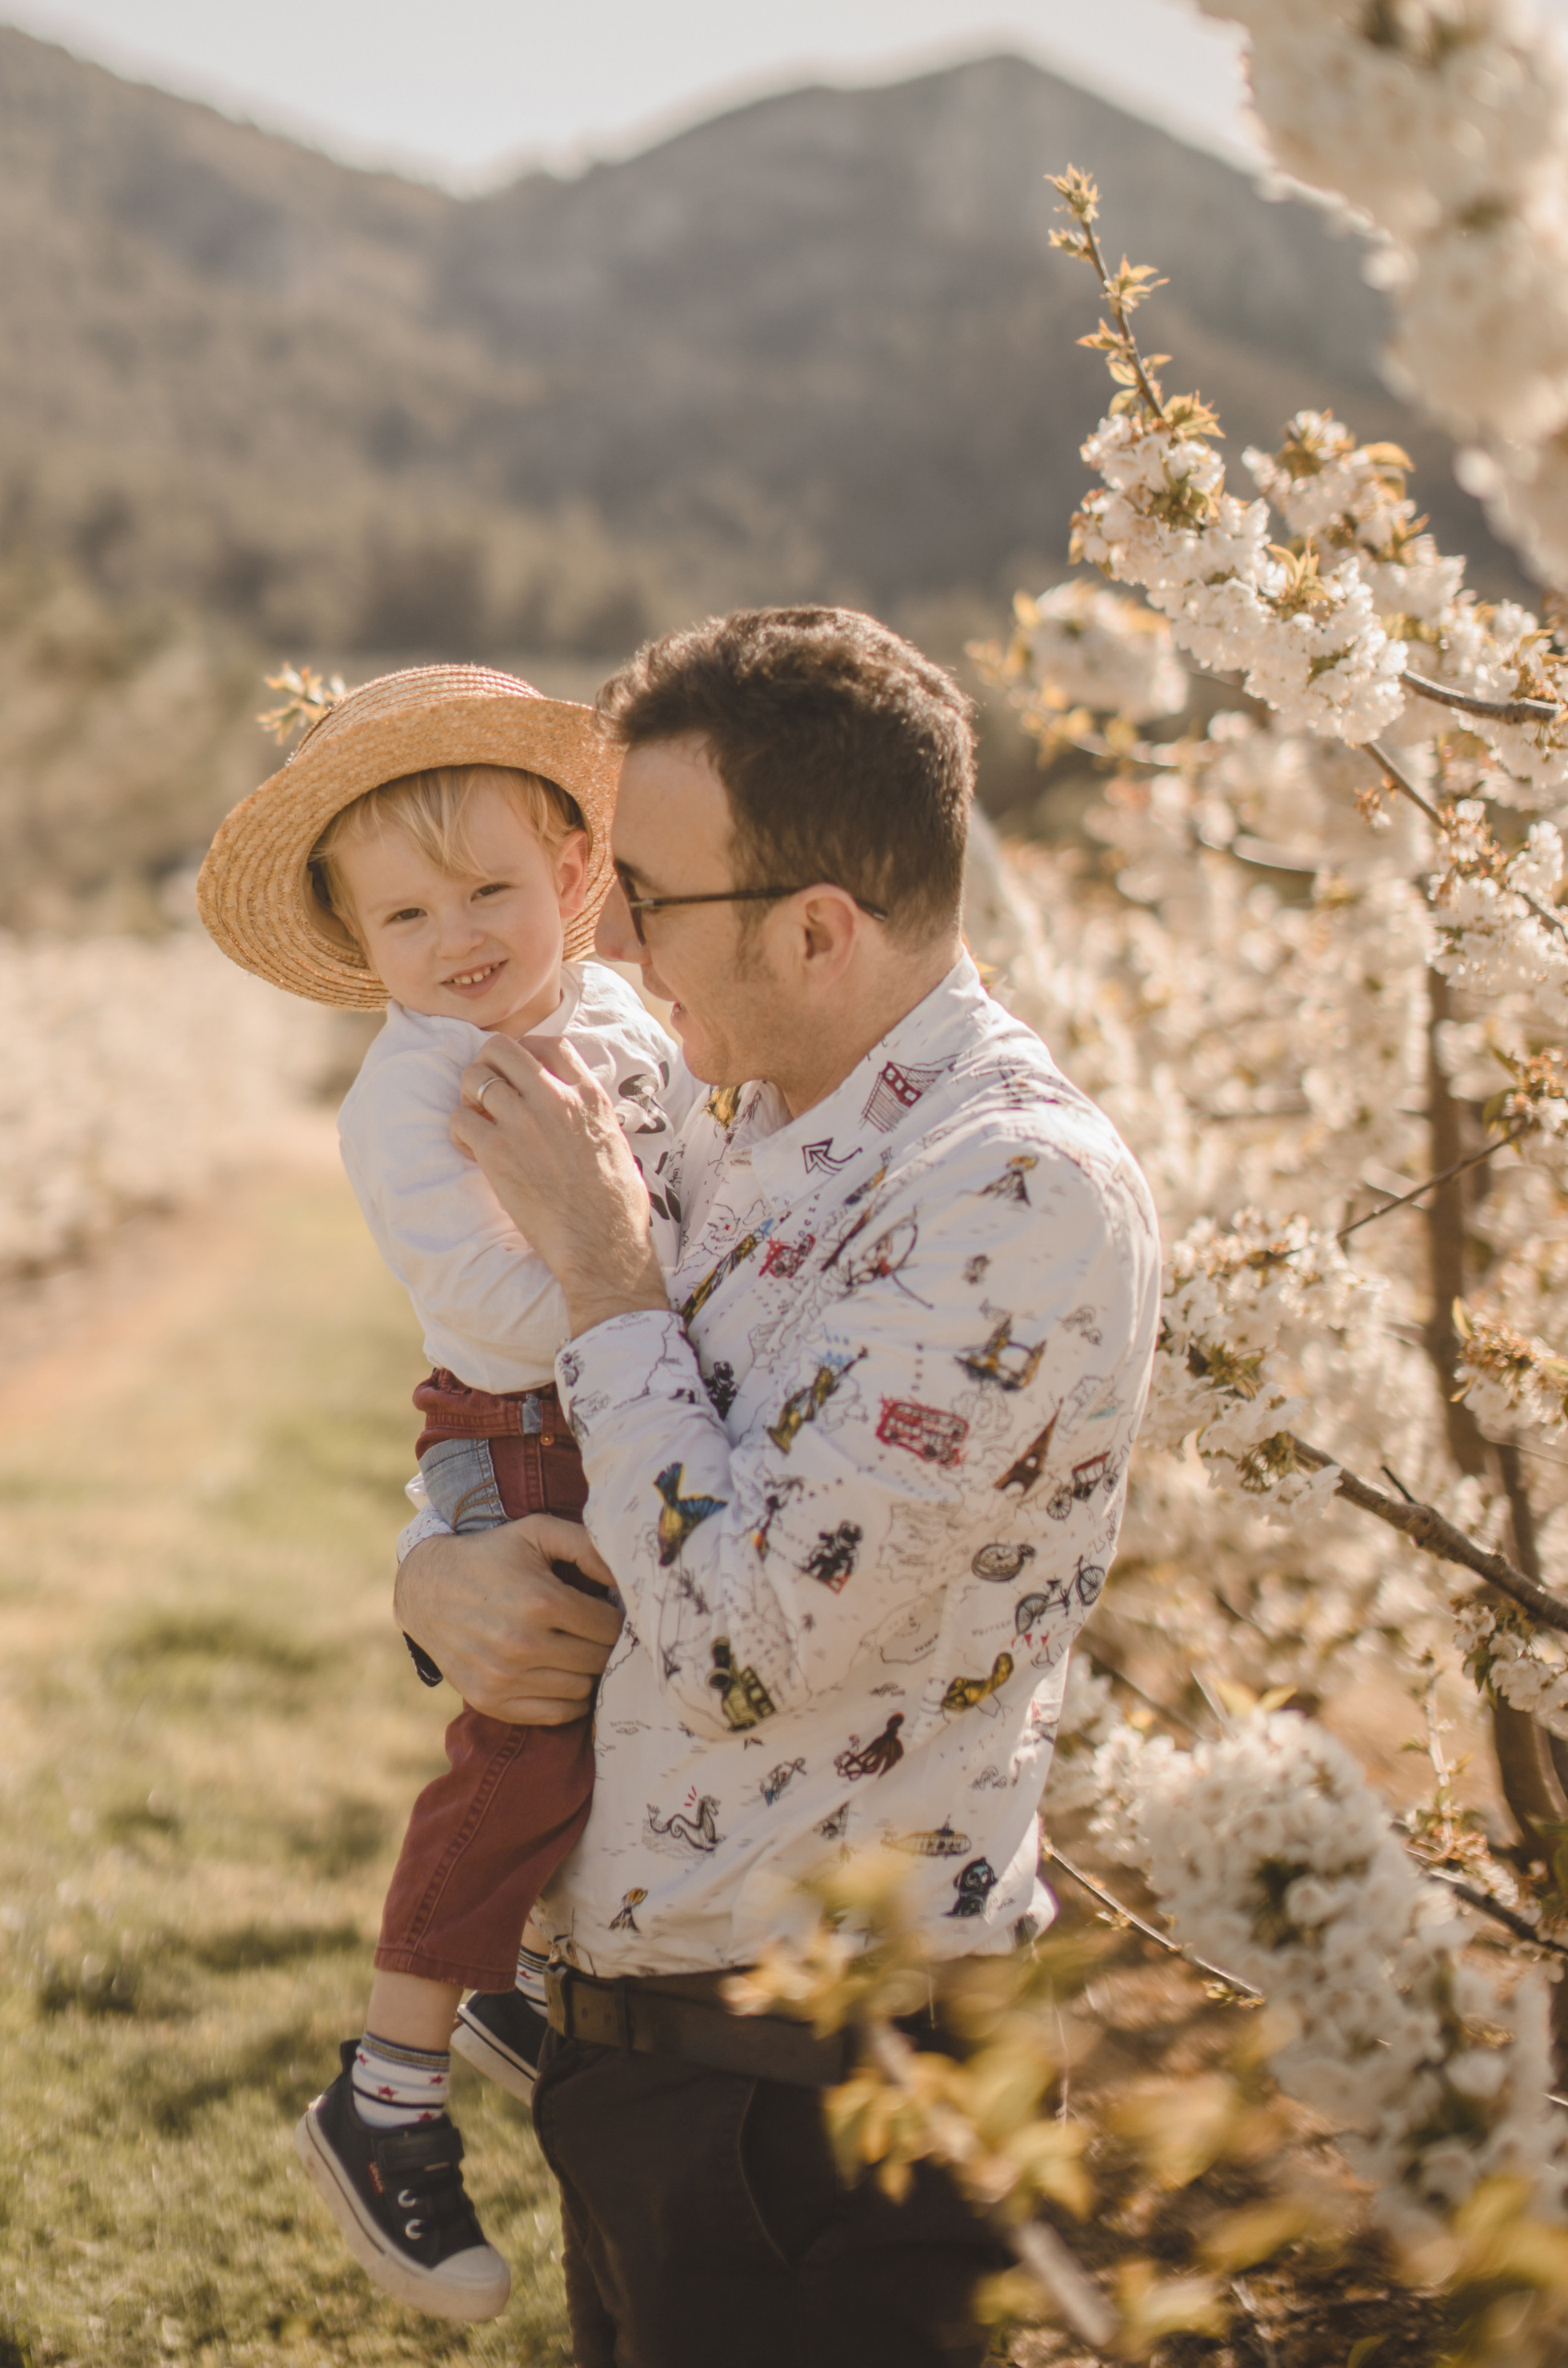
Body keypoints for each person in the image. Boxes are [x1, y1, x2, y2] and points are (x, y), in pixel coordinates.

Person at [396, 606, 1162, 2368]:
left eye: (649, 897)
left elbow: (744, 1643)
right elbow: (557, 1433)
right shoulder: (731, 1118)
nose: (607, 939)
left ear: (817, 929)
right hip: (650, 2066)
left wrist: (607, 1273)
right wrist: (431, 1576)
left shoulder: (1011, 1197)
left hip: (827, 2117)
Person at [196, 663, 691, 2326]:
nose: (457, 937)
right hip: (520, 1419)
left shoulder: (614, 1019)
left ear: (574, 872)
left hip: (604, 1390)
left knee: (640, 1700)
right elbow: (484, 1301)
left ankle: (514, 1976)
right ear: (358, 940)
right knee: (526, 1730)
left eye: (489, 889)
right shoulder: (413, 1093)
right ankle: (387, 2090)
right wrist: (643, 1298)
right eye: (406, 915)